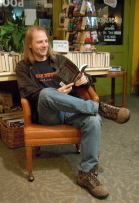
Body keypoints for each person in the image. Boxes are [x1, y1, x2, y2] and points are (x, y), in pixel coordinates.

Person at [16, 26, 130, 199]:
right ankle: (99, 108)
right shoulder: (24, 66)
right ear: (30, 45)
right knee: (47, 93)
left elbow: (83, 77)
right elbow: (27, 91)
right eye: (39, 41)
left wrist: (85, 79)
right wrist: (55, 94)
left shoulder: (59, 59)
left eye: (46, 40)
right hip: (48, 114)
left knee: (93, 121)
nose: (44, 45)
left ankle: (86, 174)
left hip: (70, 109)